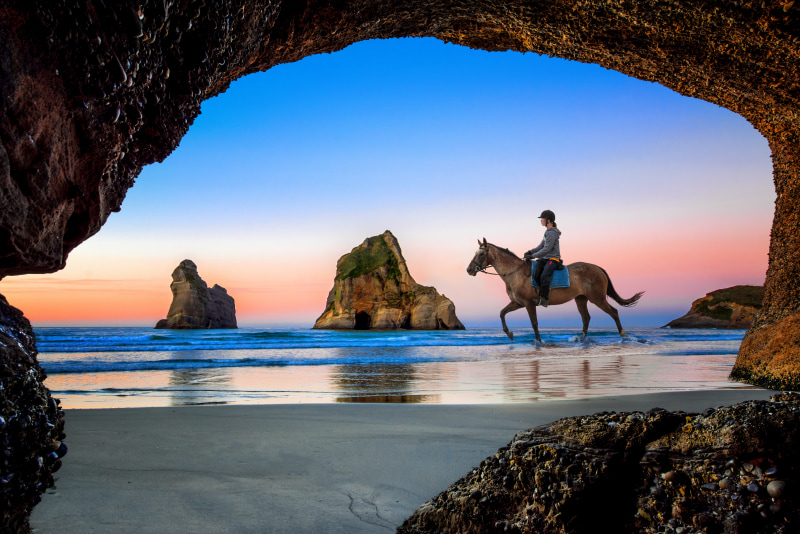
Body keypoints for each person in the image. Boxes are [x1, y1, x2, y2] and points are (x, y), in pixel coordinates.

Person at [523, 210, 562, 307]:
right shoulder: (547, 232)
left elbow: (546, 249)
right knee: (536, 273)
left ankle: (544, 299)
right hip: (545, 259)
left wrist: (532, 256)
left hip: (553, 259)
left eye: (542, 219)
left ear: (548, 220)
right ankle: (540, 293)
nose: (541, 221)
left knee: (544, 275)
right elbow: (541, 246)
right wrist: (530, 252)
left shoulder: (552, 233)